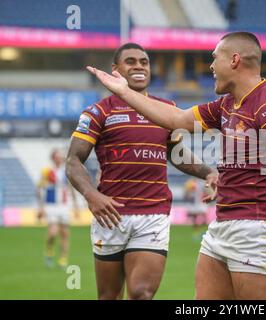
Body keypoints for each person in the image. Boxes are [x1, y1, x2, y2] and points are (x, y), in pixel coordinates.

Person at [87, 32, 266, 300]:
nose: (211, 67)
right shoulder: (225, 105)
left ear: (234, 60)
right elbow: (177, 118)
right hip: (222, 226)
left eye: (214, 59)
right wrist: (124, 91)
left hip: (259, 228)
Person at [66, 43, 217, 300]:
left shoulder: (165, 109)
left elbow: (176, 153)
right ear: (116, 69)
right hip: (111, 215)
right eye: (131, 61)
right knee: (108, 296)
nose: (138, 66)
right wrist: (92, 195)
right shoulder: (99, 111)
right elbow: (73, 160)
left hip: (153, 214)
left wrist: (209, 173)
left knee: (142, 293)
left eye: (144, 62)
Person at [36, 148, 79, 269]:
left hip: (64, 205)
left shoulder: (66, 171)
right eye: (57, 156)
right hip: (51, 205)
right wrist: (40, 207)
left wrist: (76, 207)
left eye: (61, 156)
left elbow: (71, 188)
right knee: (53, 233)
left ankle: (63, 259)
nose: (60, 158)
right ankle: (49, 251)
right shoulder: (47, 171)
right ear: (53, 158)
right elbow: (39, 188)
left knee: (65, 233)